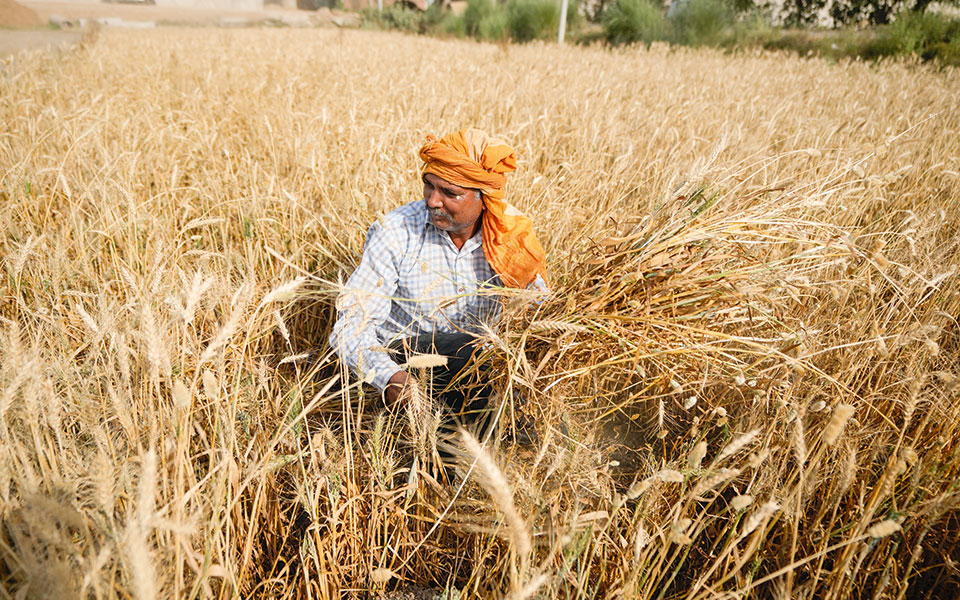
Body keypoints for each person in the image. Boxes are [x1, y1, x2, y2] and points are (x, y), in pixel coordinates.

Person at [329, 128, 547, 424]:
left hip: (488, 364)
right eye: (429, 186)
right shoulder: (396, 231)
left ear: (484, 198)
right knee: (464, 353)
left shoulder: (509, 236)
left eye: (449, 193)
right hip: (410, 361)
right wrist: (390, 377)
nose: (432, 201)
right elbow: (351, 326)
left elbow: (538, 311)